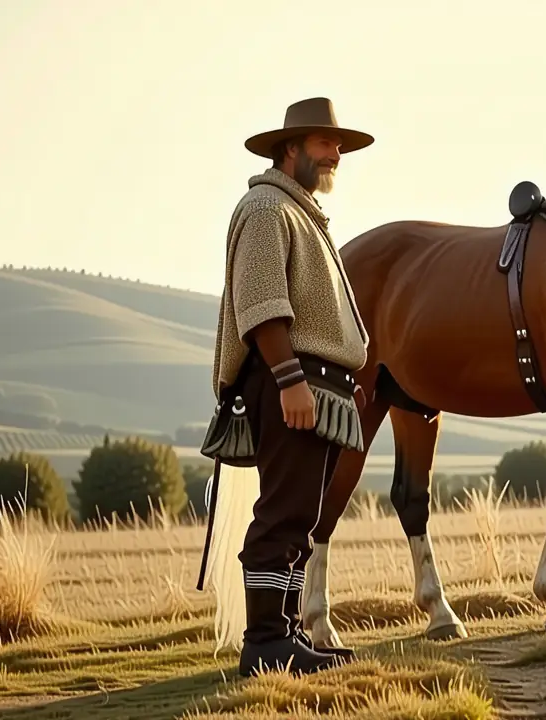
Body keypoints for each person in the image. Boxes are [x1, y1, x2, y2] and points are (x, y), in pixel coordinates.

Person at [209, 97, 374, 678]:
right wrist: (290, 381)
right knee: (282, 515)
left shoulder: (298, 212)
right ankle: (264, 643)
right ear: (291, 149)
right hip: (293, 385)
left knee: (301, 517)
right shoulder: (265, 208)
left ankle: (289, 632)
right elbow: (262, 308)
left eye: (338, 147)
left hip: (317, 388)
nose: (336, 155)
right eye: (326, 145)